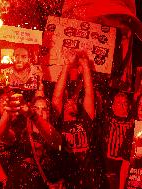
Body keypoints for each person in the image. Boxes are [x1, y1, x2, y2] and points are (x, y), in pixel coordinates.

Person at [52, 50, 107, 188]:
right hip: (67, 177)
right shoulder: (58, 123)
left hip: (88, 178)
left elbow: (89, 92)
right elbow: (57, 97)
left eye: (74, 102)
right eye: (68, 102)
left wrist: (85, 66)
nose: (71, 102)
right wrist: (66, 66)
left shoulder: (84, 121)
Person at [0, 90, 62, 188]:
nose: (40, 112)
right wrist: (8, 113)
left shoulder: (54, 131)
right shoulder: (21, 130)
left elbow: (56, 141)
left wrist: (33, 115)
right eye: (36, 108)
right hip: (19, 184)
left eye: (44, 109)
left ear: (49, 113)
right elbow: (1, 134)